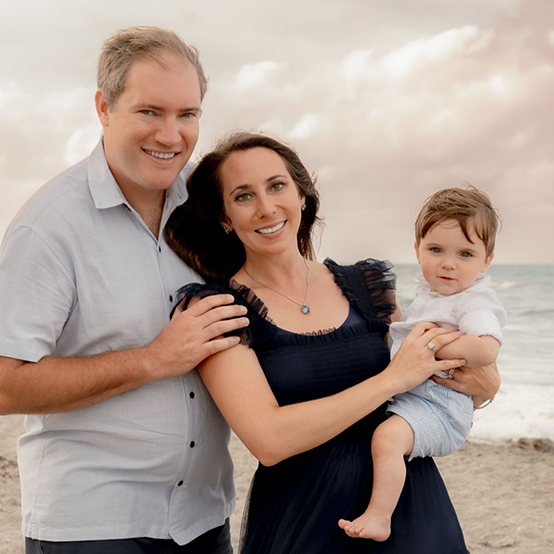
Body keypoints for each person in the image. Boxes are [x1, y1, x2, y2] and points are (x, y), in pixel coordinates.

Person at [164, 131, 500, 553]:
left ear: (302, 196)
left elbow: (436, 362)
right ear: (225, 218)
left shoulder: (367, 285)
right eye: (244, 196)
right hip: (306, 521)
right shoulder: (218, 311)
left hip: (410, 514)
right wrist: (390, 381)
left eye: (277, 186)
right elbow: (268, 441)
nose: (267, 207)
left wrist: (487, 386)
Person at [0, 27, 249, 554]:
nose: (171, 134)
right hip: (93, 526)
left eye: (188, 114)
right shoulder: (47, 228)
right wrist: (155, 358)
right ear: (104, 107)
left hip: (203, 519)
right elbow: (4, 384)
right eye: (149, 112)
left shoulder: (209, 211)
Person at [339, 186, 507, 541]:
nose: (449, 263)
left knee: (386, 439)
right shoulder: (431, 294)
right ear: (417, 250)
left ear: (486, 261)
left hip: (443, 408)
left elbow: (487, 350)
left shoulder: (474, 301)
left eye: (465, 253)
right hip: (421, 401)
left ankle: (379, 518)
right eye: (436, 250)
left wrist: (432, 346)